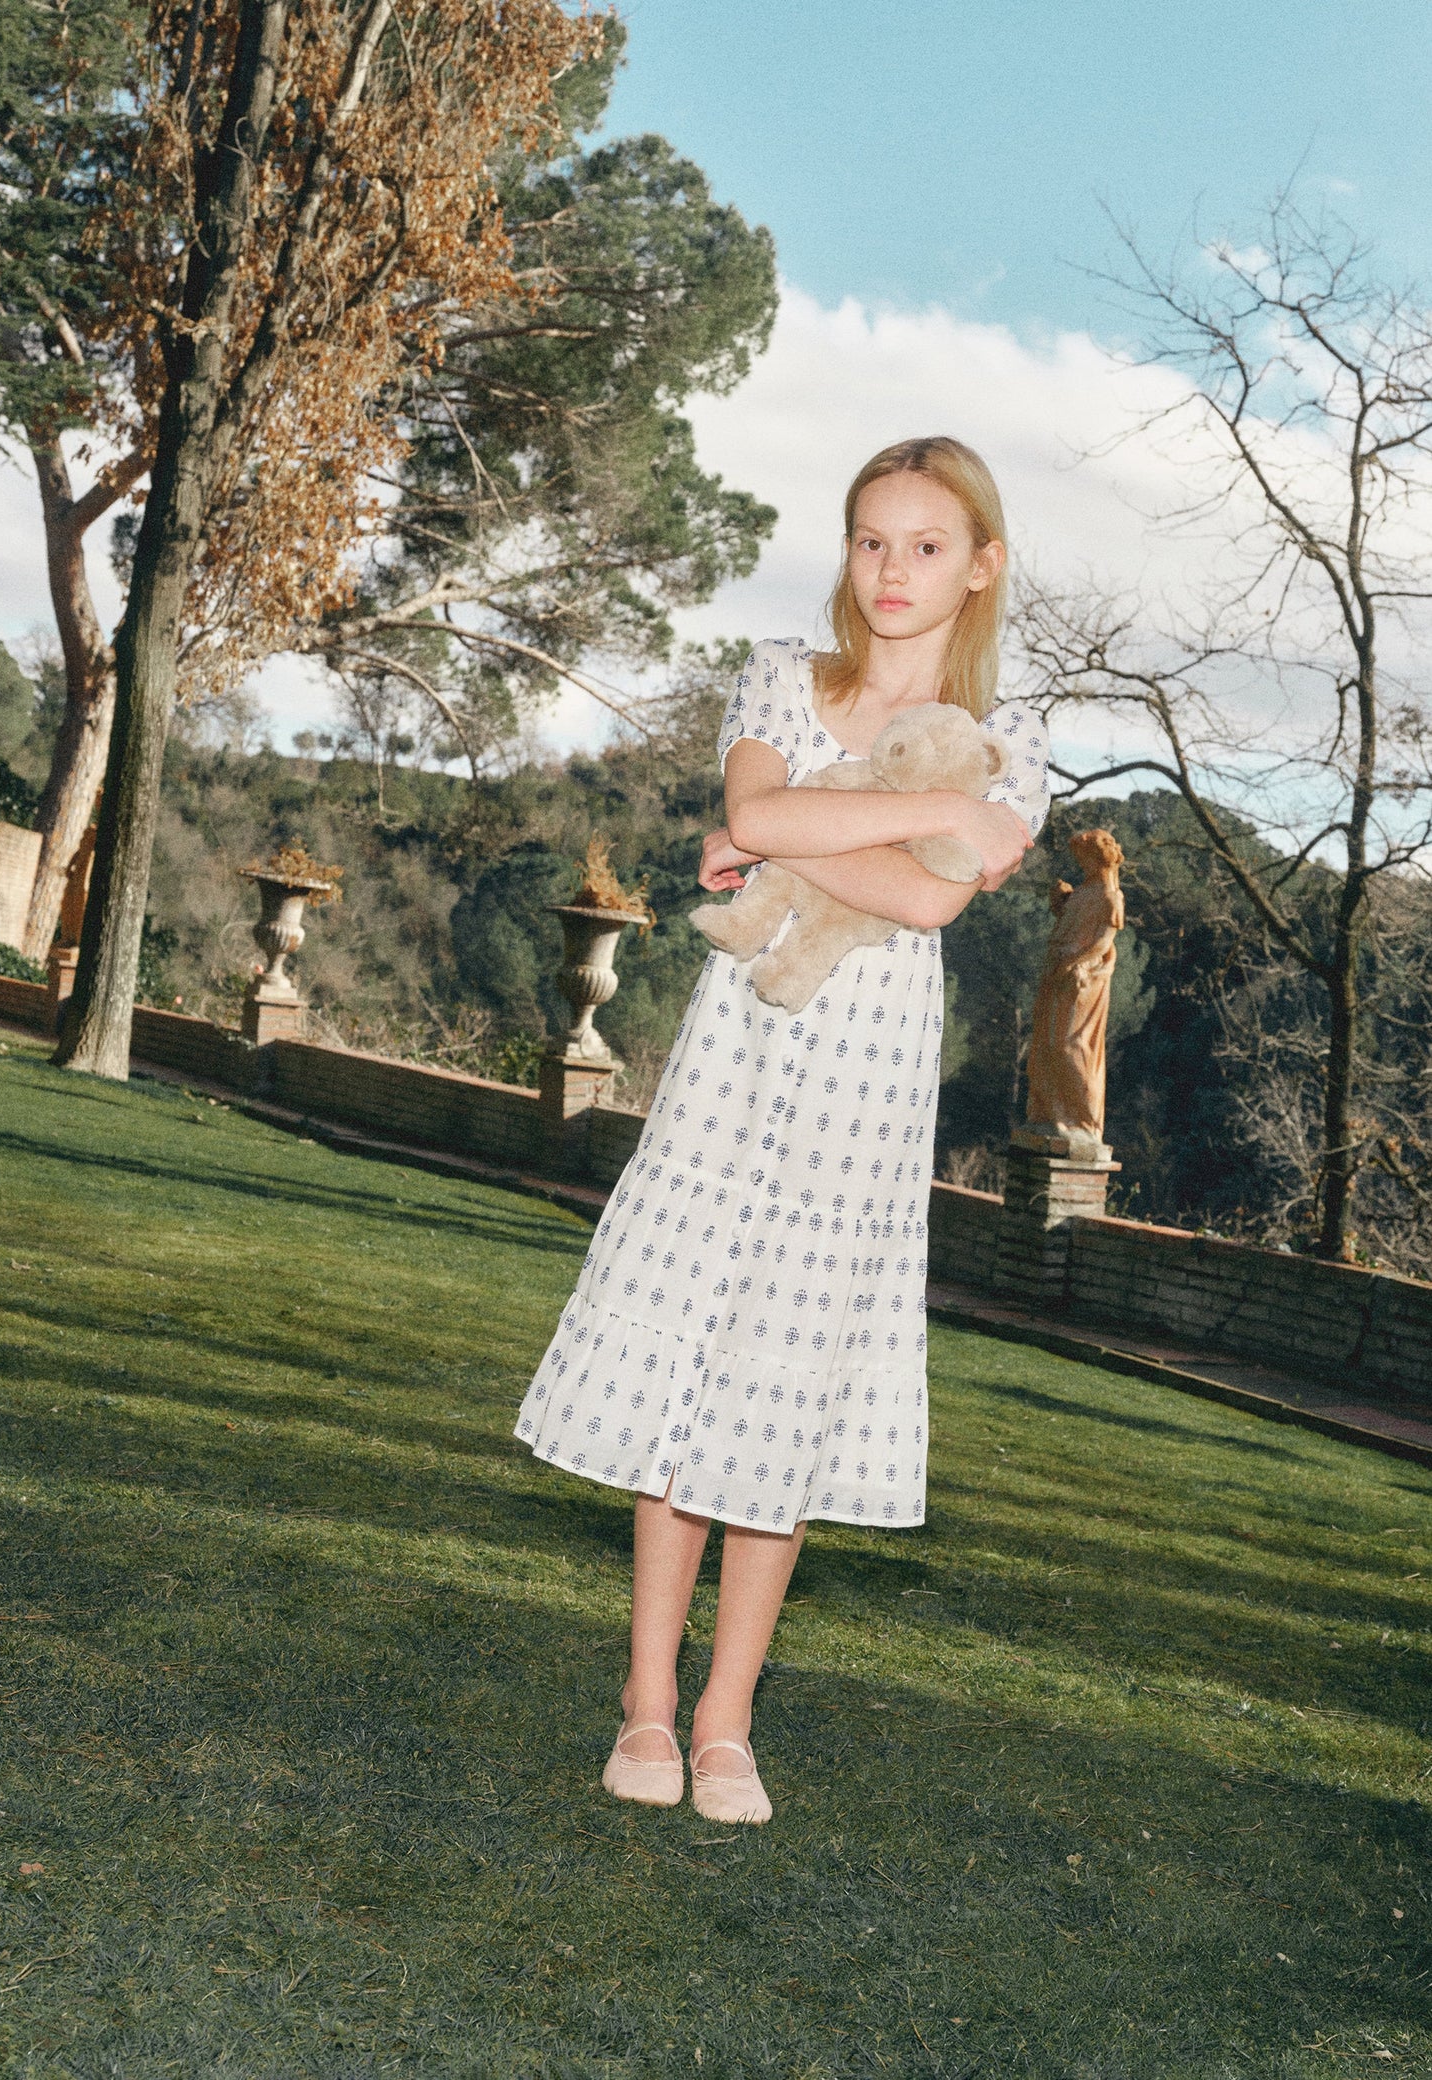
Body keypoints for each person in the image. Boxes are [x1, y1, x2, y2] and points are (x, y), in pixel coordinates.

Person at [515, 436, 1050, 1823]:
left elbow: (926, 901)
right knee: (684, 1378)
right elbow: (756, 808)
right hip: (731, 1075)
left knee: (783, 1394)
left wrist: (788, 841)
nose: (891, 570)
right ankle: (645, 1705)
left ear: (979, 566)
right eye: (871, 539)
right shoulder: (777, 676)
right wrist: (928, 813)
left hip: (866, 1100)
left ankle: (726, 1721)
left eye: (925, 545)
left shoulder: (1013, 735)